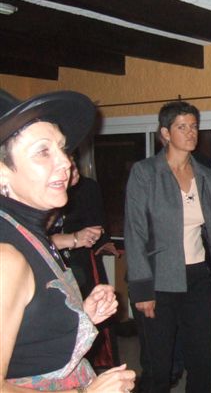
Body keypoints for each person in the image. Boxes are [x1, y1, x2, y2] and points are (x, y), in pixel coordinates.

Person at [0, 89, 135, 392]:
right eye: (43, 152)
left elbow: (28, 340)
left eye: (61, 148)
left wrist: (82, 314)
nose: (65, 162)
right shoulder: (5, 256)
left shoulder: (28, 233)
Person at [125, 100, 211, 393]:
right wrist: (142, 290)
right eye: (182, 127)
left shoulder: (206, 175)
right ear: (165, 133)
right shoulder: (145, 173)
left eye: (194, 126)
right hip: (158, 280)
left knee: (203, 359)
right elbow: (135, 233)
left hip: (198, 278)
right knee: (159, 366)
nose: (191, 133)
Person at [49, 156, 122, 370]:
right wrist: (73, 238)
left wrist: (100, 239)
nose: (70, 166)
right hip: (53, 264)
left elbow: (98, 222)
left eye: (72, 161)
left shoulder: (88, 187)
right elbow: (36, 238)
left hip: (82, 261)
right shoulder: (43, 194)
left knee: (90, 313)